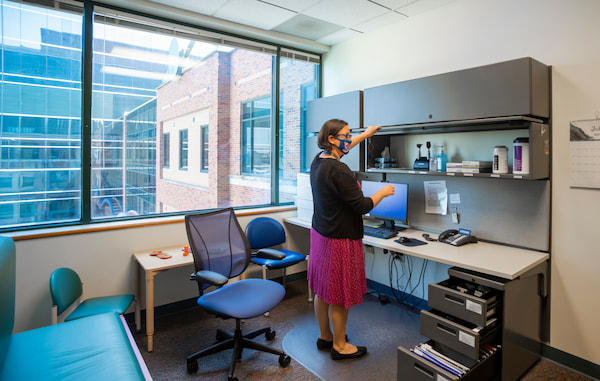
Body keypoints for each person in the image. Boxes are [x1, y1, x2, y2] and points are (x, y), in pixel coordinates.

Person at [308, 118, 395, 360]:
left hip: (321, 234)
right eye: (346, 135)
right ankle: (340, 346)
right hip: (339, 239)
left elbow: (343, 149)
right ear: (332, 139)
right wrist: (383, 192)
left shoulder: (319, 162)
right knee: (338, 295)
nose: (350, 138)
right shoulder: (340, 170)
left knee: (323, 291)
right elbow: (362, 205)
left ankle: (325, 337)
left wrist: (366, 134)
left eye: (351, 134)